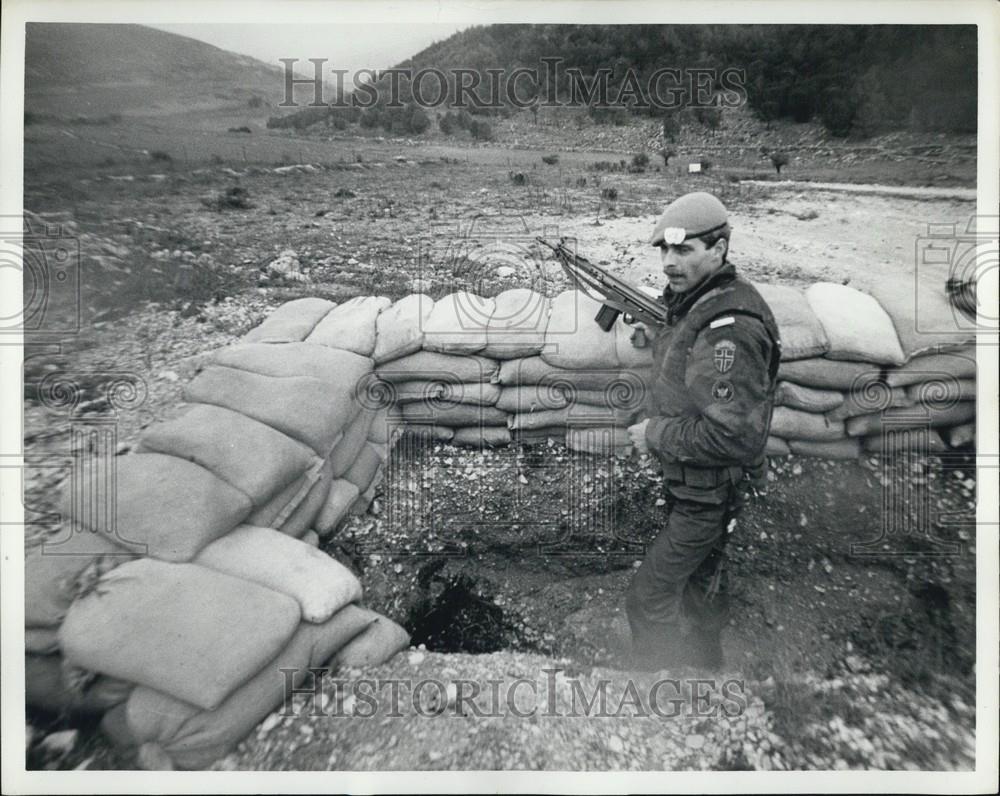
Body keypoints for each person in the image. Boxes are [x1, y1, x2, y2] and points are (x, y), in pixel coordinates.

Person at [625, 191, 781, 670]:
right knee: (704, 575)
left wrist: (654, 435)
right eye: (664, 251)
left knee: (647, 596)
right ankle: (705, 667)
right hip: (703, 485)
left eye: (684, 251)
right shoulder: (702, 301)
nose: (669, 263)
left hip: (707, 493)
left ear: (719, 250)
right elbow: (689, 345)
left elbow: (735, 436)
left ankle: (659, 685)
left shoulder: (728, 328)